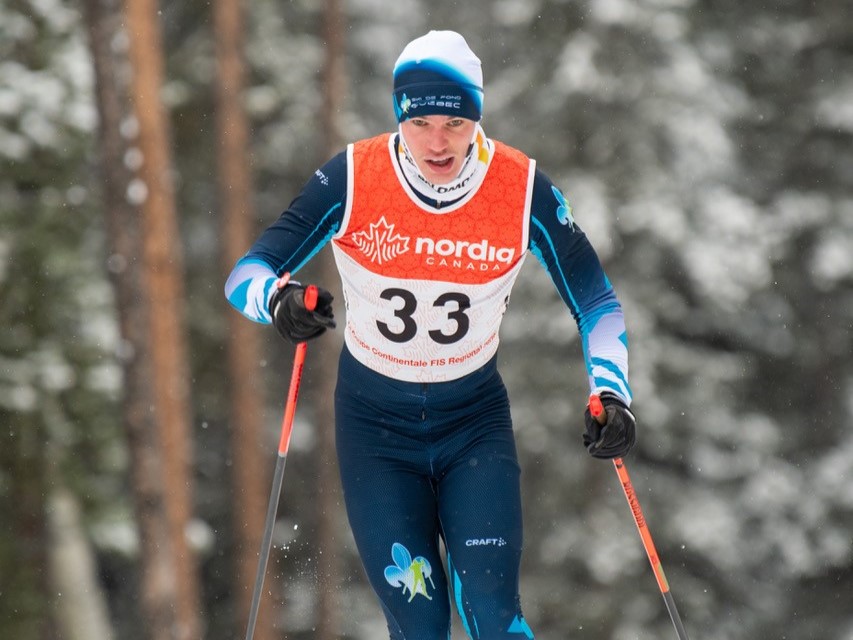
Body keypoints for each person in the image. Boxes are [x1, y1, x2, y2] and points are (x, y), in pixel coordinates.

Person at [225, 30, 636, 640]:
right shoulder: (354, 177)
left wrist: (612, 391)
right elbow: (247, 273)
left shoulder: (521, 189)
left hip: (473, 422)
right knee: (419, 624)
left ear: (477, 116)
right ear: (399, 117)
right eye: (420, 123)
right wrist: (277, 300)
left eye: (455, 122)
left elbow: (596, 301)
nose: (437, 142)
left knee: (493, 612)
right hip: (375, 430)